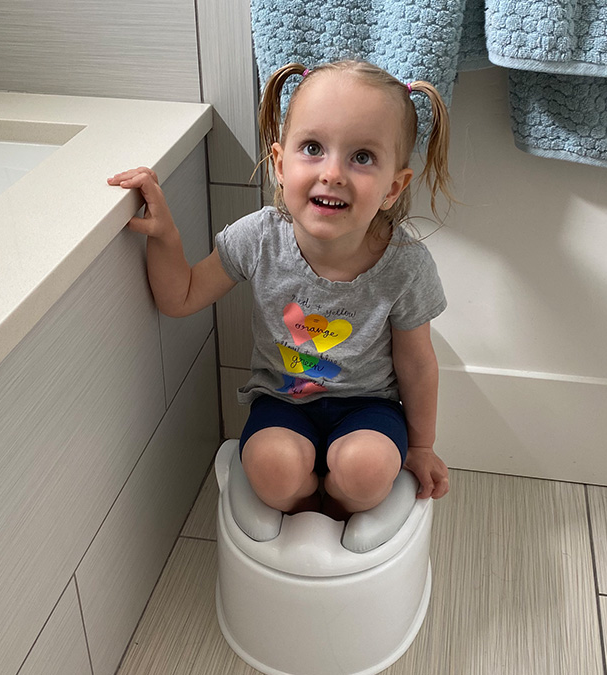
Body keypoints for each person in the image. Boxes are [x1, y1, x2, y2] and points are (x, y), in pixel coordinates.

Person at [108, 60, 452, 520]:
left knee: (367, 471)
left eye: (362, 157)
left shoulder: (404, 265)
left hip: (369, 408)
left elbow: (417, 361)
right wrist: (165, 235)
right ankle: (310, 505)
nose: (332, 172)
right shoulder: (259, 239)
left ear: (393, 187)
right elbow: (181, 296)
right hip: (282, 404)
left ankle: (342, 504)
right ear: (279, 164)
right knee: (270, 470)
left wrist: (423, 446)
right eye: (312, 147)